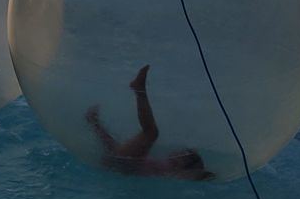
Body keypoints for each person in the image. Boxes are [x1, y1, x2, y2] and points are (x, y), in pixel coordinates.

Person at [84, 65, 215, 180]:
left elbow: (199, 175)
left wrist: (202, 174)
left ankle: (139, 90)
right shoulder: (162, 166)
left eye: (184, 153)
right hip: (120, 165)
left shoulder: (170, 172)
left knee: (151, 133)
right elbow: (119, 153)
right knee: (124, 150)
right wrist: (97, 125)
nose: (179, 151)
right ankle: (95, 121)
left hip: (122, 166)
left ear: (183, 163)